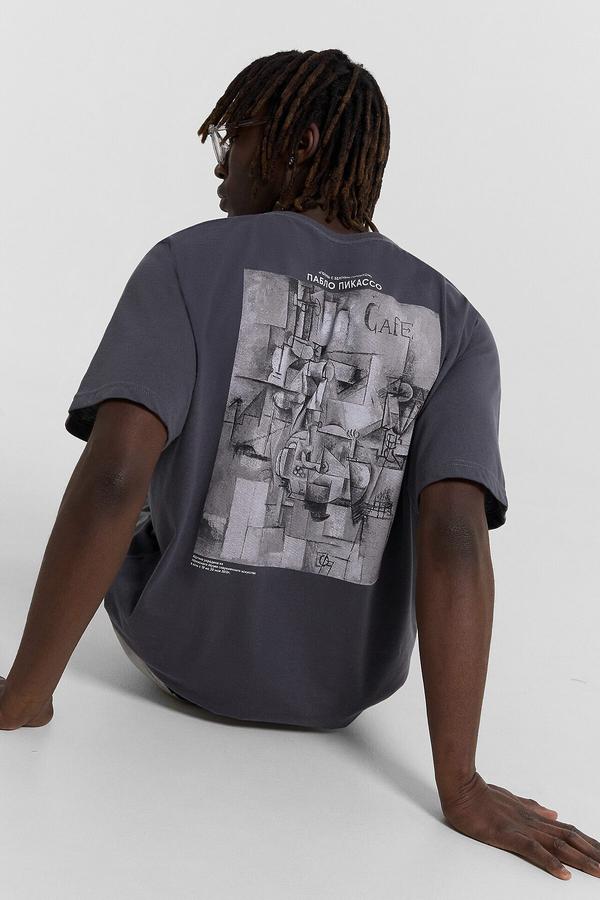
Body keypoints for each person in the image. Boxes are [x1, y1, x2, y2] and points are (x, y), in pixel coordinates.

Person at [1, 48, 598, 882]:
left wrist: (24, 696)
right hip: (341, 689)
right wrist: (461, 786)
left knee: (148, 478)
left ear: (299, 142)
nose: (221, 168)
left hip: (178, 655)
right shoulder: (458, 324)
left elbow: (114, 478)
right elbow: (456, 538)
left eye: (234, 139)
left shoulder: (185, 262)